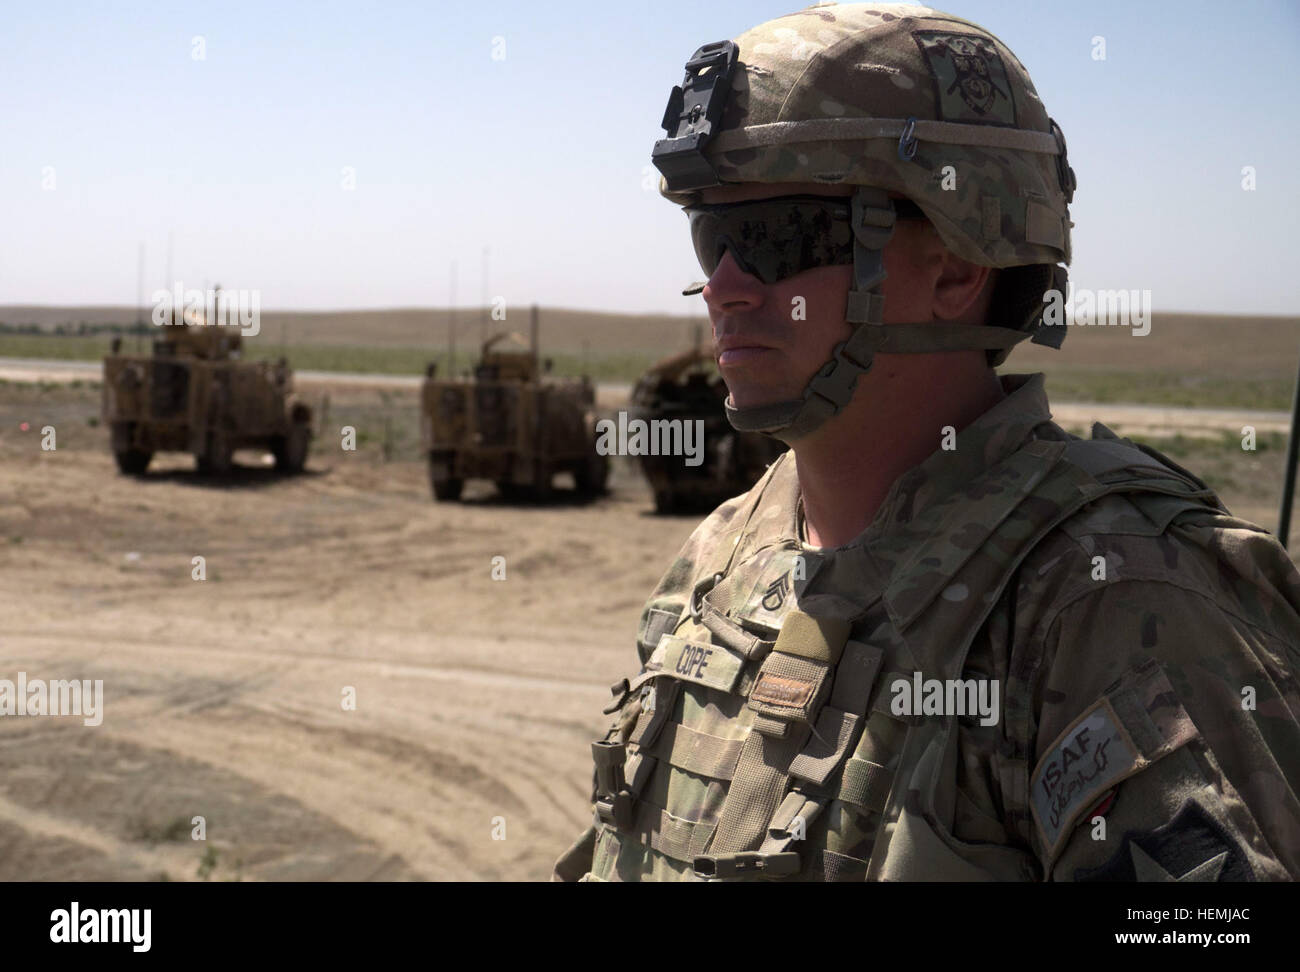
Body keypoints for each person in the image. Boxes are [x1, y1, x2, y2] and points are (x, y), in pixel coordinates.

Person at [553, 1, 1300, 882]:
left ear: (956, 265)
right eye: (712, 235)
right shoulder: (725, 552)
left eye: (775, 238)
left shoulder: (1112, 599)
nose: (723, 287)